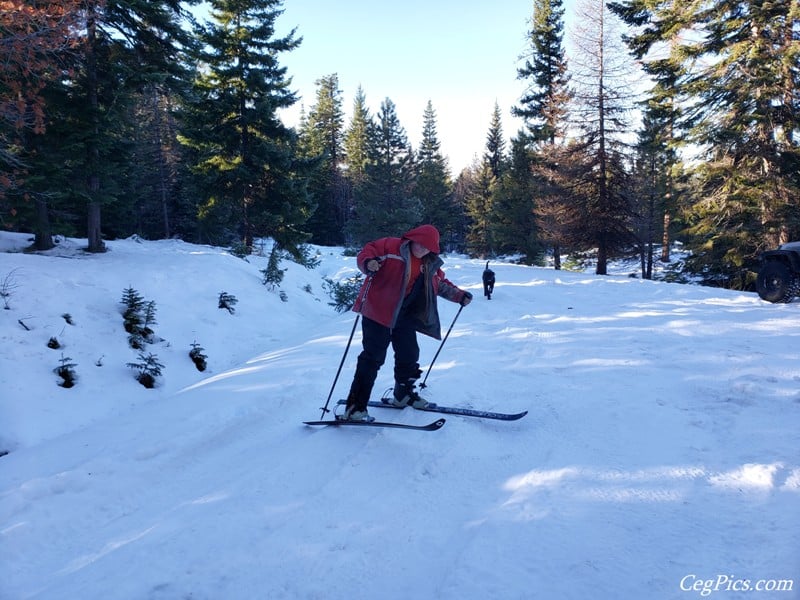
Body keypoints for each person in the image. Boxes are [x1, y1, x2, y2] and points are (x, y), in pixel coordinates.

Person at [340, 224, 473, 422]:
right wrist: (368, 264)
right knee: (373, 357)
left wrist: (460, 296)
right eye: (420, 244)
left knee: (409, 355)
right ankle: (355, 407)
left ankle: (402, 395)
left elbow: (440, 284)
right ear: (413, 238)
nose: (422, 249)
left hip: (404, 314)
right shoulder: (391, 247)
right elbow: (368, 252)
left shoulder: (429, 263)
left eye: (428, 247)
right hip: (377, 310)